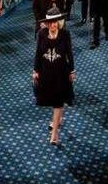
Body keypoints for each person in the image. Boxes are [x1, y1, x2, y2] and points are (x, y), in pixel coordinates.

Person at [32, 8, 75, 145]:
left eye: (55, 22)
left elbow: (69, 54)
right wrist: (35, 70)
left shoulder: (65, 34)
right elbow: (38, 53)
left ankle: (54, 133)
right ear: (47, 23)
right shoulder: (41, 34)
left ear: (59, 22)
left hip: (61, 73)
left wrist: (72, 71)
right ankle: (58, 118)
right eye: (50, 22)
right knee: (53, 99)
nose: (52, 25)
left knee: (58, 101)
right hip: (46, 72)